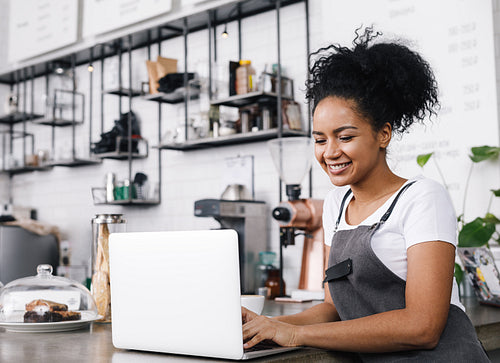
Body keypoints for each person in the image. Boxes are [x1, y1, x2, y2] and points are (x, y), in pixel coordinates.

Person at [242, 27, 490, 362]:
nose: (330, 152)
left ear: (383, 134)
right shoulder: (336, 205)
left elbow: (422, 326)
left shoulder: (422, 198)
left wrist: (296, 333)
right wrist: (269, 325)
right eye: (319, 139)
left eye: (344, 137)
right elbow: (332, 308)